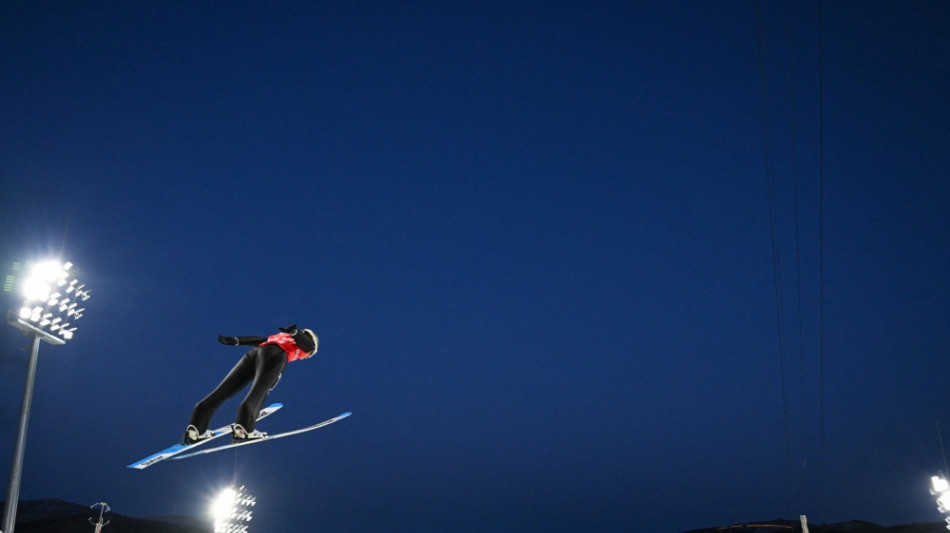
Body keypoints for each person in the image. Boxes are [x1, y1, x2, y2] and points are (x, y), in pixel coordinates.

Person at [182, 324, 318, 444]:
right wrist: (296, 333)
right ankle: (244, 429)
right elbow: (309, 345)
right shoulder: (305, 344)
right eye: (308, 356)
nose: (304, 357)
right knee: (259, 392)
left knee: (224, 390)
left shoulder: (282, 337)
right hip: (275, 356)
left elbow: (259, 340)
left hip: (255, 353)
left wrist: (237, 341)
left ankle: (195, 429)